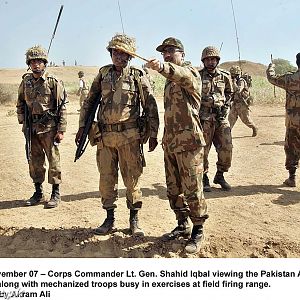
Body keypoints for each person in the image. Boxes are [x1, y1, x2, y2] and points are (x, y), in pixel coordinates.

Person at [75, 34, 159, 236]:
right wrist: (81, 127)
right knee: (106, 179)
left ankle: (134, 220)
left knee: (132, 179)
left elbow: (150, 105)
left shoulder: (138, 75)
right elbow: (89, 102)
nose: (118, 57)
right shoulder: (103, 74)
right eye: (115, 52)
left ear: (130, 56)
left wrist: (153, 133)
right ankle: (109, 219)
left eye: (123, 54)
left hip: (129, 137)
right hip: (105, 138)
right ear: (111, 53)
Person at [146, 37, 208, 254]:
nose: (167, 54)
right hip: (171, 143)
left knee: (193, 189)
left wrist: (163, 67)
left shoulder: (190, 73)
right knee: (173, 189)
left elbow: (180, 74)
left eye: (171, 51)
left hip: (190, 143)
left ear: (182, 53)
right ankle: (182, 225)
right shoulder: (169, 81)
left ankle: (198, 229)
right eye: (164, 52)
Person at [16, 45, 67, 209]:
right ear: (29, 64)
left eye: (39, 61)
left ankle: (55, 193)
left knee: (53, 160)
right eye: (32, 62)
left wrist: (61, 129)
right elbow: (20, 102)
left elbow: (62, 106)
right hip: (32, 128)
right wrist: (23, 122)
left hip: (49, 128)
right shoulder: (26, 82)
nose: (36, 64)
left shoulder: (53, 82)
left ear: (44, 63)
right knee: (34, 161)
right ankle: (38, 192)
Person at [199, 46, 233, 192]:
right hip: (204, 118)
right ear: (203, 61)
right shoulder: (198, 76)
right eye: (208, 59)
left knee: (227, 147)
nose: (211, 62)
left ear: (217, 60)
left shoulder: (225, 76)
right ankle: (204, 177)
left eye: (213, 59)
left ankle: (220, 175)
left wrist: (226, 107)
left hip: (220, 118)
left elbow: (230, 93)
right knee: (203, 150)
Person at [266, 53, 300, 187]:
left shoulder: (290, 79)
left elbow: (272, 78)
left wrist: (271, 67)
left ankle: (292, 177)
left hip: (293, 122)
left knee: (292, 148)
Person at [228, 65, 258, 137]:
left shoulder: (241, 81)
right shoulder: (233, 81)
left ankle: (254, 127)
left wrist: (234, 82)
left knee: (246, 120)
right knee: (230, 119)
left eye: (233, 75)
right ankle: (227, 134)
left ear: (237, 75)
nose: (232, 76)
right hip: (235, 103)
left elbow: (238, 90)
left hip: (242, 104)